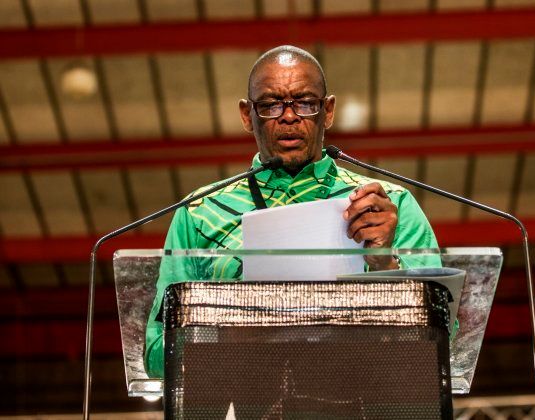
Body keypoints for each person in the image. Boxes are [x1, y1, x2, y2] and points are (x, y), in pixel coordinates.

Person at [144, 45, 440, 378]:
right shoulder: (199, 213)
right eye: (270, 105)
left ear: (327, 111)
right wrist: (235, 329)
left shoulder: (388, 206)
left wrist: (384, 262)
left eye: (305, 103)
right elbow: (157, 353)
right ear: (247, 115)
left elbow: (442, 338)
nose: (288, 116)